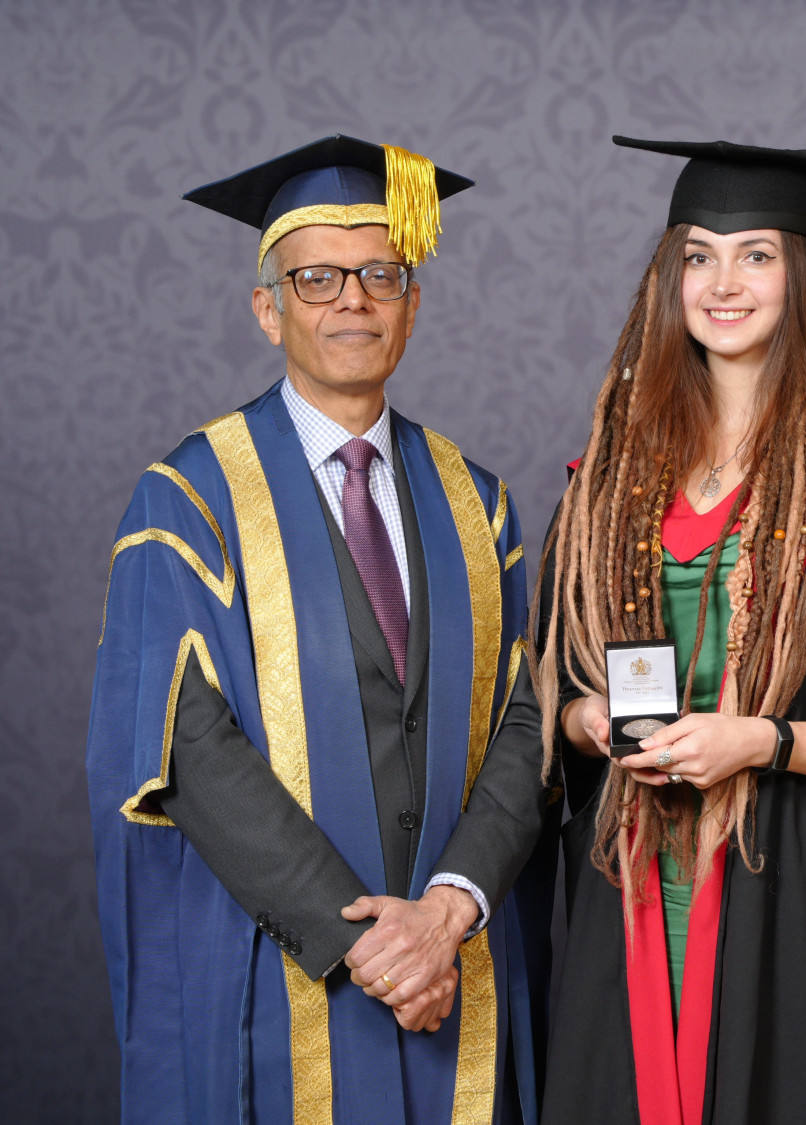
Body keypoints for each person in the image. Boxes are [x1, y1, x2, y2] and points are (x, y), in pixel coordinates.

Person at [422, 135, 806, 1124]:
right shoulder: (609, 486)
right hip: (628, 875)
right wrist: (590, 729)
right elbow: (559, 691)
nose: (723, 282)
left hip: (788, 885)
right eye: (698, 255)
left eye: (756, 254)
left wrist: (758, 741)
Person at [86, 135, 557, 1124]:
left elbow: (531, 723)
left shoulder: (482, 506)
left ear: (413, 303)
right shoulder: (192, 498)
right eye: (317, 279)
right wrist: (364, 944)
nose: (353, 300)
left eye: (381, 274)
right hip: (280, 973)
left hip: (452, 968)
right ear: (269, 309)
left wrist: (448, 911)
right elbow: (185, 744)